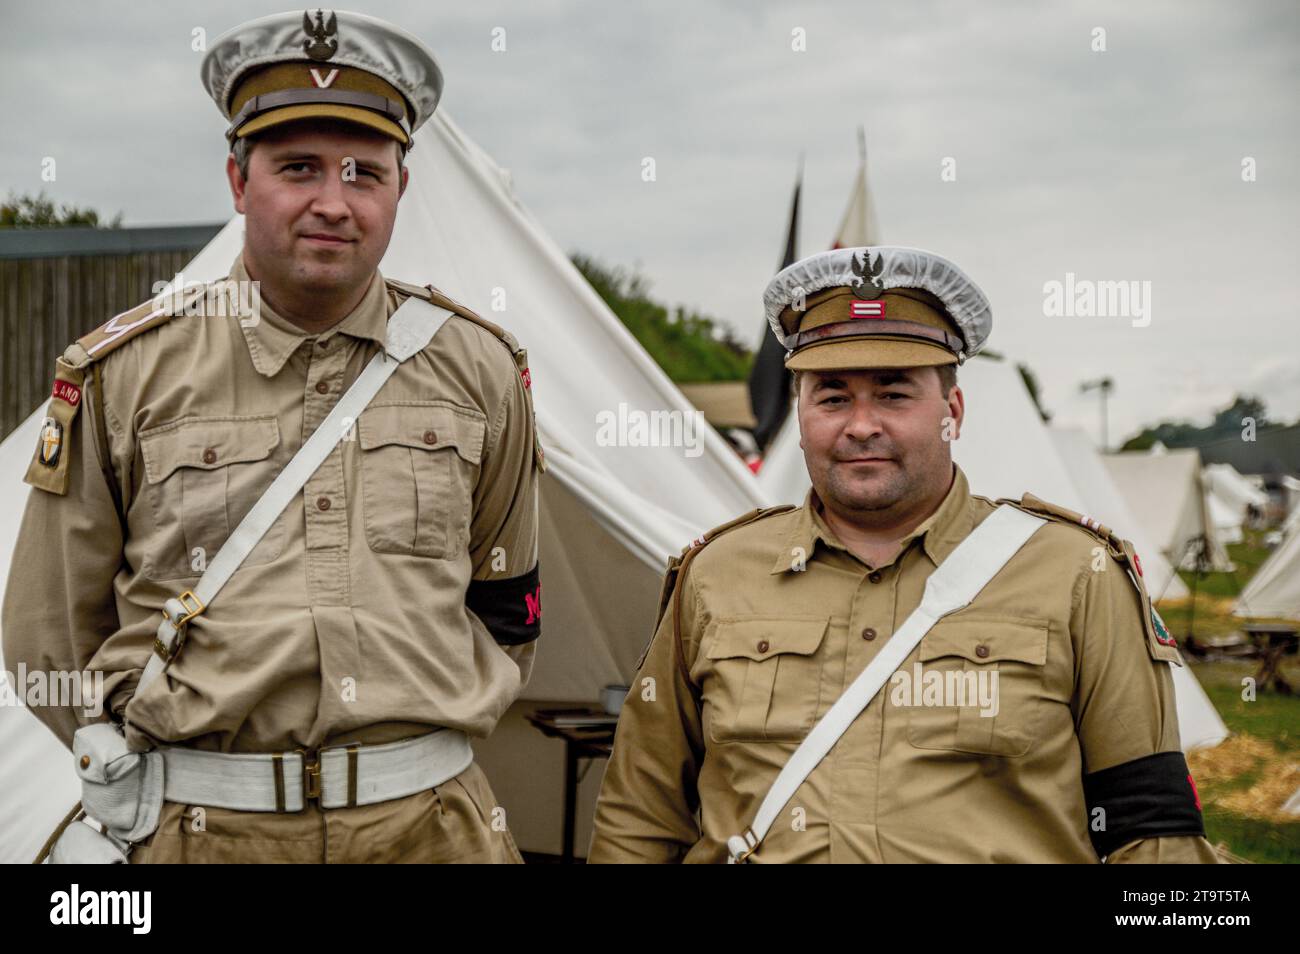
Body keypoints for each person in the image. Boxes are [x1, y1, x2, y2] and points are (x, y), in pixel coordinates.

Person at [4, 9, 544, 863]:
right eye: (299, 168)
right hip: (204, 835)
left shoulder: (478, 367)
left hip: (433, 834)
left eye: (365, 172)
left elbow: (509, 609)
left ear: (401, 188)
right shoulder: (124, 373)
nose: (334, 201)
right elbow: (46, 636)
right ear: (237, 180)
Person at [588, 246, 1219, 863]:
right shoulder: (717, 575)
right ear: (801, 417)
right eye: (832, 397)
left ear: (953, 411)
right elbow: (640, 817)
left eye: (893, 395)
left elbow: (1150, 834)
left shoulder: (1077, 576)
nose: (861, 425)